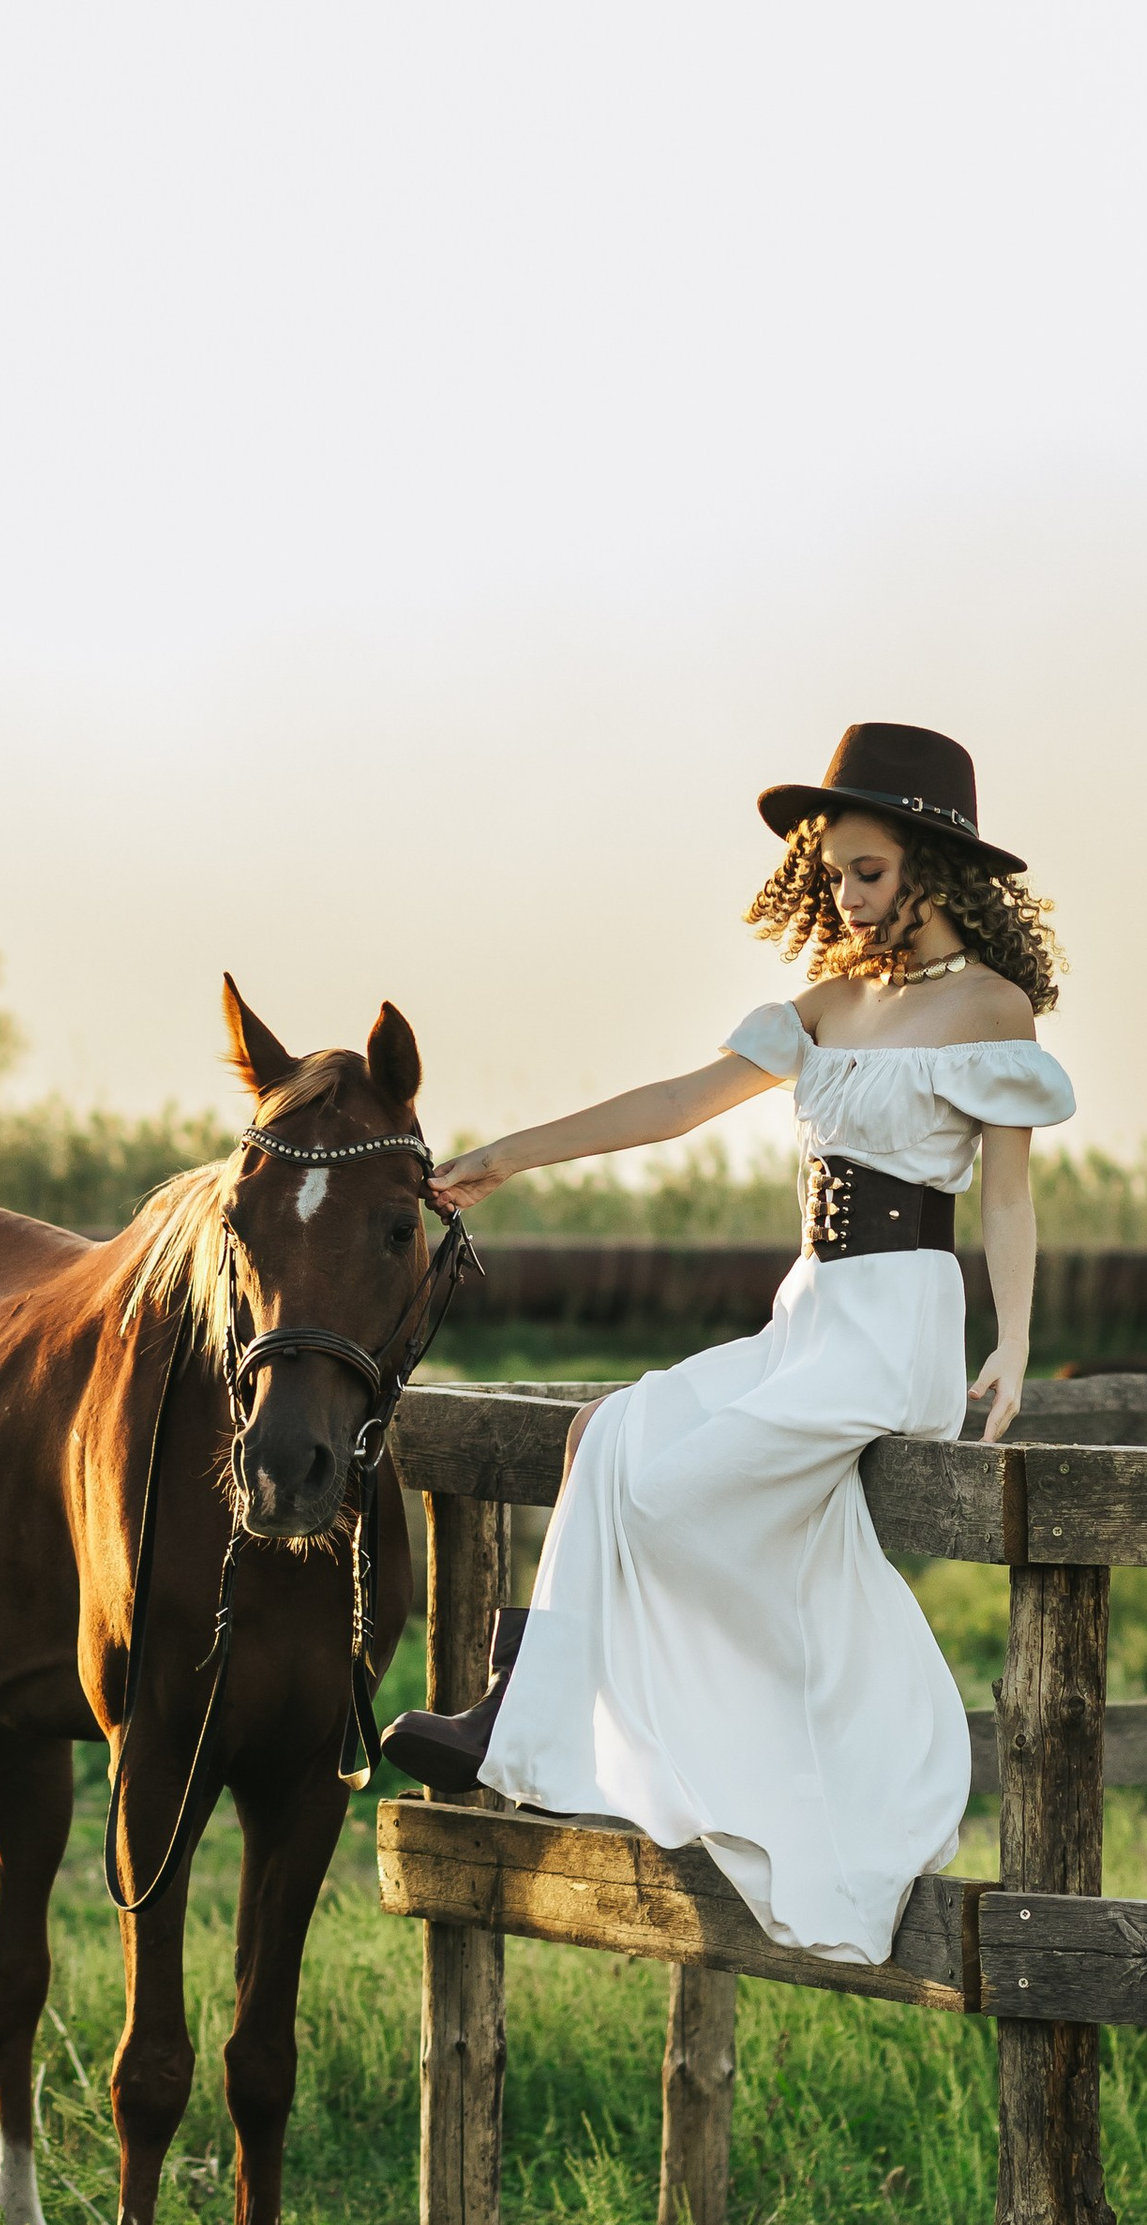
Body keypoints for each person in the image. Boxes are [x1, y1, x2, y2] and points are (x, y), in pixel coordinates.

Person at [381, 721, 1074, 1968]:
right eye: (833, 873)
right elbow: (673, 1104)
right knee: (606, 1433)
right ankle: (513, 1714)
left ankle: (735, 1744)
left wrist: (1013, 1342)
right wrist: (506, 1156)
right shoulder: (828, 1003)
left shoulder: (991, 1008)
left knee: (669, 1496)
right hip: (805, 1314)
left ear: (931, 865)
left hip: (892, 1327)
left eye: (868, 871)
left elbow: (1008, 1198)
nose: (845, 896)